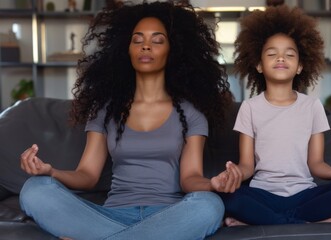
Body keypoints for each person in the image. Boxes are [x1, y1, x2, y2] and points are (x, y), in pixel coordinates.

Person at [19, 1, 234, 239]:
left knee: (209, 205)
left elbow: (189, 178)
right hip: (110, 216)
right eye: (137, 40)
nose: (146, 47)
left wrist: (212, 184)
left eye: (157, 40)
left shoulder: (191, 113)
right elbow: (87, 175)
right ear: (127, 49)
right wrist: (51, 172)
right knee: (34, 190)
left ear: (172, 50)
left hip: (170, 217)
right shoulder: (106, 110)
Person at [218, 4, 331, 226]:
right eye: (271, 54)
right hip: (263, 195)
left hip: (304, 194)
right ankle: (311, 221)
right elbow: (247, 166)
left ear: (299, 66)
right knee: (227, 198)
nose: (280, 58)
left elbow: (316, 164)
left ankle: (263, 221)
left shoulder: (312, 106)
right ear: (258, 64)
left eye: (289, 54)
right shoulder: (249, 108)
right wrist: (234, 174)